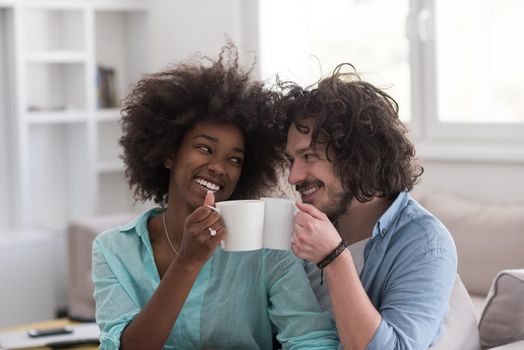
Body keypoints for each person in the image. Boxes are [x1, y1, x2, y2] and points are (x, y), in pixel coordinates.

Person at [91, 46, 339, 350]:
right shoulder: (114, 250)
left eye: (234, 160)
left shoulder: (267, 246)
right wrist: (188, 262)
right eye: (205, 149)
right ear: (169, 152)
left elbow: (311, 339)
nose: (219, 168)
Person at [277, 64, 457, 350]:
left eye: (308, 156)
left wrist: (334, 259)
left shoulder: (426, 243)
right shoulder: (294, 226)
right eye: (291, 161)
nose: (293, 177)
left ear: (358, 155)